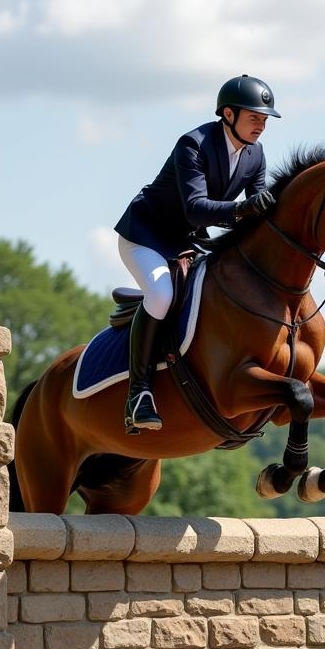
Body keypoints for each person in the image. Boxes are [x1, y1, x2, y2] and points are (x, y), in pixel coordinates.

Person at [115, 74, 280, 432]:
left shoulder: (256, 154)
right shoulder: (193, 143)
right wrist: (241, 209)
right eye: (255, 117)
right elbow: (195, 208)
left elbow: (257, 212)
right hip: (146, 235)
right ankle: (138, 395)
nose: (261, 126)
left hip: (188, 242)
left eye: (265, 120)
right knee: (160, 295)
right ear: (228, 114)